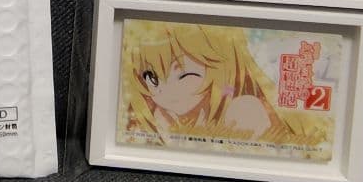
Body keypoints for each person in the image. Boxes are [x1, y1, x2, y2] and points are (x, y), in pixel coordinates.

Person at [122, 20, 289, 144]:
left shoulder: (244, 110)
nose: (163, 91)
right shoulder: (161, 115)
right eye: (152, 78)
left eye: (183, 75)